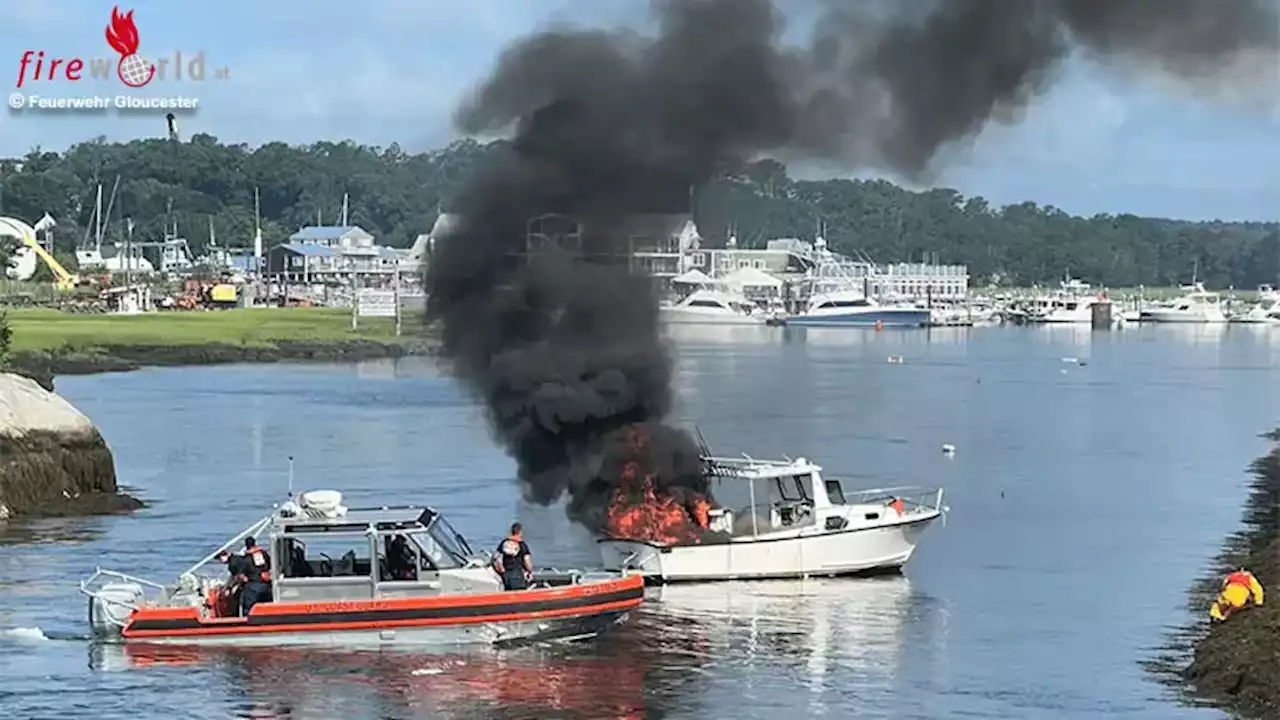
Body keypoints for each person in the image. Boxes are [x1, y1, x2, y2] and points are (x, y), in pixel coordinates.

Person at [492, 522, 533, 591]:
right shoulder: (522, 545)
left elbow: (495, 557)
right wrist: (530, 571)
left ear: (511, 531)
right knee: (520, 593)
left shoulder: (504, 543)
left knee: (508, 592)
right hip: (518, 574)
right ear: (520, 532)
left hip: (506, 574)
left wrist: (499, 570)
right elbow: (527, 561)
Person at [240, 536, 273, 616]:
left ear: (246, 546)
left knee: (248, 608)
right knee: (266, 605)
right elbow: (270, 565)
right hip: (266, 585)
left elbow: (242, 574)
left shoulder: (246, 559)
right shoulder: (264, 554)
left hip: (253, 586)